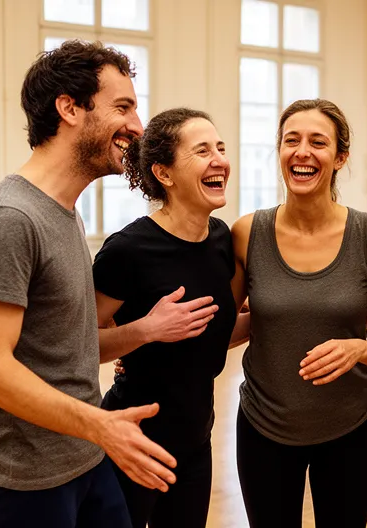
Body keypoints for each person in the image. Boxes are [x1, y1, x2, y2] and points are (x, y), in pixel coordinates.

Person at [0, 40, 176, 528]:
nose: (138, 127)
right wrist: (103, 425)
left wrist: (145, 329)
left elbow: (65, 349)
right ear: (69, 108)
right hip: (24, 477)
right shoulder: (11, 218)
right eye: (123, 107)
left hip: (83, 454)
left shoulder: (63, 212)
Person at [230, 99, 367, 528]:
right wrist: (141, 341)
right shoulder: (245, 233)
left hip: (348, 429)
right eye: (291, 141)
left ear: (340, 157)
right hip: (262, 427)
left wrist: (357, 350)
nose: (302, 152)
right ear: (279, 153)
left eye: (318, 142)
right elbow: (222, 330)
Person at [92, 108, 248, 528]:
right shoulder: (128, 250)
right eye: (202, 151)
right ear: (164, 173)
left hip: (196, 440)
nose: (219, 159)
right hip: (134, 438)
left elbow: (211, 334)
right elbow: (78, 344)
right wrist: (146, 330)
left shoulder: (221, 239)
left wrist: (286, 313)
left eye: (220, 148)